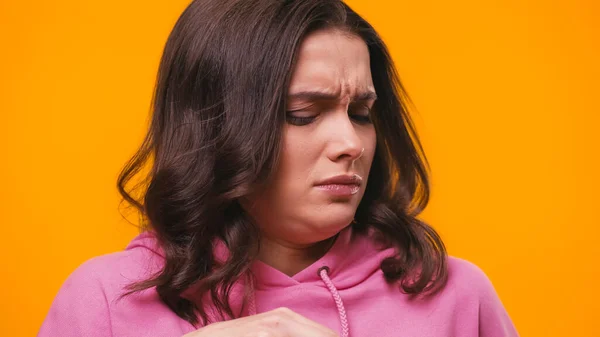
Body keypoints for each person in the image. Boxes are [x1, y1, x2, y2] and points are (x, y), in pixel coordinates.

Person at [38, 0, 519, 336]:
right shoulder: (103, 301)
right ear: (217, 126)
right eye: (303, 115)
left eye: (361, 114)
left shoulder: (456, 294)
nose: (350, 144)